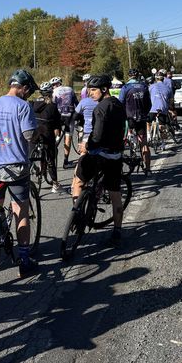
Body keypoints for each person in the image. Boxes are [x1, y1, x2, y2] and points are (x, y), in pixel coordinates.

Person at [0, 69, 39, 276]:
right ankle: (24, 260)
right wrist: (37, 133)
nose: (28, 94)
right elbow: (29, 136)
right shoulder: (23, 107)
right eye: (29, 90)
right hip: (15, 167)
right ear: (23, 88)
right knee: (20, 211)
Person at [71, 74, 127, 247]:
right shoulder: (118, 104)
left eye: (93, 90)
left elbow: (97, 135)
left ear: (104, 89)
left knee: (78, 179)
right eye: (89, 90)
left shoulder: (100, 108)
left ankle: (77, 215)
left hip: (100, 155)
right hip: (116, 155)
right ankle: (117, 230)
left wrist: (86, 146)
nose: (90, 93)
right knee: (115, 193)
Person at [30, 81, 63, 193]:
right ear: (50, 93)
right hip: (46, 132)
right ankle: (55, 183)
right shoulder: (52, 106)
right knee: (51, 158)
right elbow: (57, 122)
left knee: (30, 154)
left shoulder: (33, 103)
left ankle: (33, 167)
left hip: (34, 133)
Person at [119, 68, 152, 173]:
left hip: (129, 119)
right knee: (144, 143)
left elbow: (120, 103)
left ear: (129, 76)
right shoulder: (144, 86)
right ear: (138, 76)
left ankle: (119, 168)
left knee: (122, 142)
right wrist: (145, 113)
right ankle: (147, 168)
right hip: (141, 118)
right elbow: (149, 104)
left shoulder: (126, 87)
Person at [51, 77, 79, 170]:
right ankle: (65, 161)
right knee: (68, 137)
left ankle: (51, 153)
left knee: (56, 135)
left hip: (59, 116)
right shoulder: (70, 89)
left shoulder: (54, 92)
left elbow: (53, 105)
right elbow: (76, 103)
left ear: (55, 85)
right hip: (70, 116)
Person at [74, 88, 97, 154]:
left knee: (83, 153)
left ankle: (80, 162)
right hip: (100, 132)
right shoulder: (101, 101)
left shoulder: (84, 101)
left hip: (88, 131)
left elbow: (75, 116)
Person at [148, 72, 171, 138]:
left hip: (153, 109)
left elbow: (148, 97)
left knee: (148, 121)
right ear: (163, 79)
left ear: (155, 79)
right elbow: (171, 99)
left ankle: (149, 135)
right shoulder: (167, 88)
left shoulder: (151, 87)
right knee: (162, 125)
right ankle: (163, 143)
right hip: (163, 109)